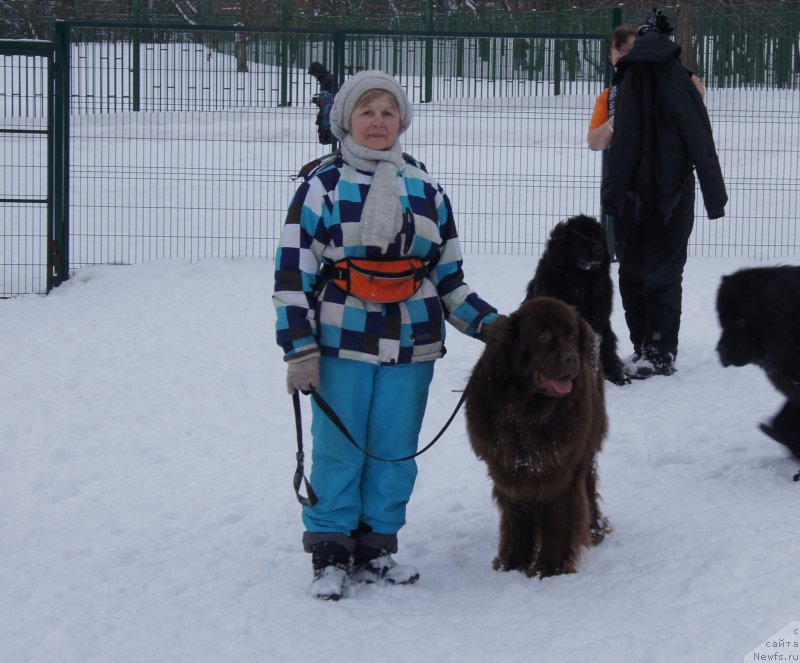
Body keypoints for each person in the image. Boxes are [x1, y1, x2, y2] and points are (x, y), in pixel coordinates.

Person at [273, 70, 500, 601]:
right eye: (367, 112)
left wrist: (498, 327)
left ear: (402, 120)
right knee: (339, 449)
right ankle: (330, 550)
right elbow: (293, 274)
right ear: (345, 119)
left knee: (395, 451)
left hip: (413, 343)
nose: (378, 122)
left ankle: (377, 545)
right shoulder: (320, 188)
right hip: (340, 342)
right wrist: (298, 349)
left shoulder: (426, 189)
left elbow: (449, 280)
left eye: (388, 112)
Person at [599, 10, 727, 379]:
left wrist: (613, 197)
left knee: (634, 271)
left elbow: (621, 148)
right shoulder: (682, 81)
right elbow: (701, 140)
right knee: (666, 274)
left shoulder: (627, 83)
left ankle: (645, 345)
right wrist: (713, 196)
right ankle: (658, 351)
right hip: (674, 194)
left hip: (632, 196)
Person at [308, 61, 334, 145]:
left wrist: (318, 100)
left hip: (328, 114)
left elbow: (328, 99)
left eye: (314, 75)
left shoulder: (327, 81)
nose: (314, 77)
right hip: (329, 112)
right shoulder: (328, 79)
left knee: (325, 136)